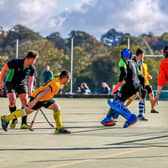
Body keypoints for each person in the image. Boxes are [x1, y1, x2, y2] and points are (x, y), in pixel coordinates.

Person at [1, 70, 71, 134]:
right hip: (38, 98)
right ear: (64, 78)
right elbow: (44, 92)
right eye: (68, 79)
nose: (68, 81)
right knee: (26, 111)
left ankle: (59, 128)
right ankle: (6, 118)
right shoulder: (56, 84)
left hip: (45, 99)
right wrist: (35, 101)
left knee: (56, 107)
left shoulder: (57, 81)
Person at [101, 48, 145, 128]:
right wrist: (142, 87)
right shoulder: (134, 62)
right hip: (136, 86)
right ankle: (110, 118)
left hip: (128, 85)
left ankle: (131, 117)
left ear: (122, 55)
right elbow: (141, 77)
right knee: (118, 100)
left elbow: (123, 73)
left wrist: (119, 82)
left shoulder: (122, 61)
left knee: (117, 103)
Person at [0, 50, 39, 129]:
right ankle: (14, 119)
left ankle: (24, 123)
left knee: (24, 100)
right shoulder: (15, 62)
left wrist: (30, 90)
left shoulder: (32, 68)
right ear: (31, 58)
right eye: (35, 59)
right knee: (12, 100)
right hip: (10, 82)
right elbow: (4, 70)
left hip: (21, 83)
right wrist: (0, 82)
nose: (35, 61)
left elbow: (31, 80)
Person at [125, 48, 148, 120]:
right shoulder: (132, 62)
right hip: (131, 83)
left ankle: (140, 115)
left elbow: (140, 74)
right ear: (140, 55)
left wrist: (142, 85)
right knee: (133, 97)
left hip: (137, 83)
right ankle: (121, 107)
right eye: (143, 55)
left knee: (140, 96)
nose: (143, 57)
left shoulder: (140, 62)